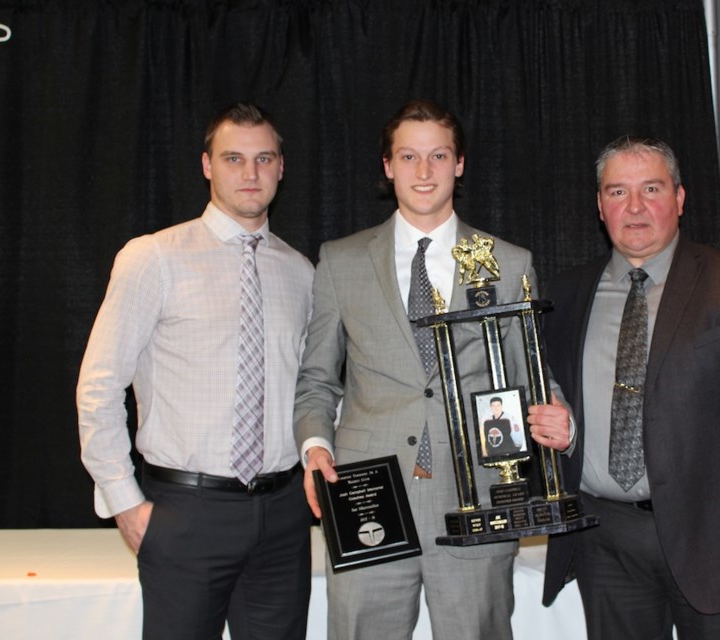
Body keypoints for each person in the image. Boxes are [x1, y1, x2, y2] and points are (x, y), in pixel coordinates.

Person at [294, 98, 571, 640]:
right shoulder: (342, 260)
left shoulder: (505, 261)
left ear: (459, 164)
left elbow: (532, 373)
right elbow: (316, 380)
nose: (424, 172)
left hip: (478, 492)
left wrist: (559, 418)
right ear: (387, 165)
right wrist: (314, 448)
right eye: (409, 156)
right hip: (367, 492)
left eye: (438, 155)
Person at [541, 136, 720, 639]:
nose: (635, 206)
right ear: (600, 205)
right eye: (618, 192)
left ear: (681, 198)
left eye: (651, 188)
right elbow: (554, 391)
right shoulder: (564, 293)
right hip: (605, 541)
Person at [77, 102, 314, 640]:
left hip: (282, 516)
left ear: (281, 167)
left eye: (263, 158)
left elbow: (308, 390)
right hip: (186, 512)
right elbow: (98, 386)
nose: (249, 173)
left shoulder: (300, 273)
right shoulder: (152, 258)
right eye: (233, 158)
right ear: (207, 165)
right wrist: (125, 503)